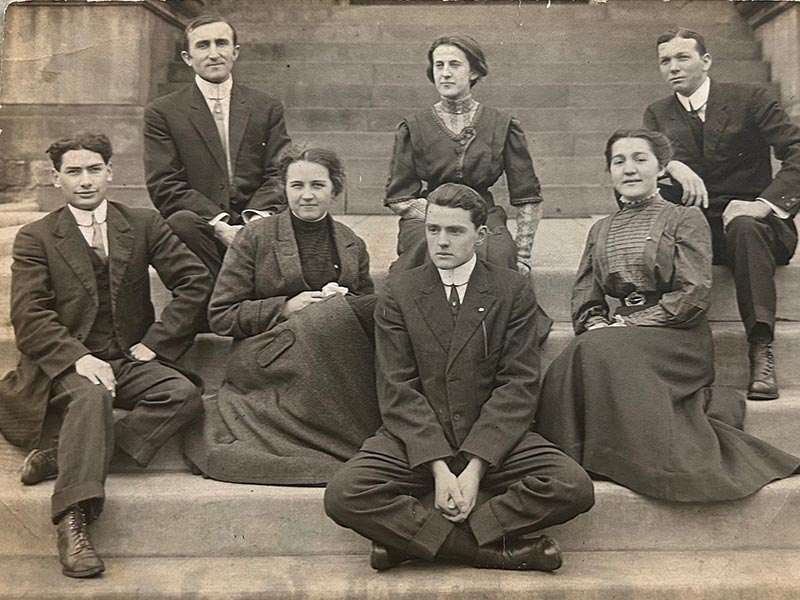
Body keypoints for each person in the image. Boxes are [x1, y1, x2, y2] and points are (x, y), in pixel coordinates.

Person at [325, 183, 594, 573]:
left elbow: (518, 383)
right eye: (433, 230)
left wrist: (475, 467)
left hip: (491, 435)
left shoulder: (511, 289)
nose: (441, 242)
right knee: (344, 494)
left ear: (480, 235)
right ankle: (488, 552)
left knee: (573, 486)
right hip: (417, 438)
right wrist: (437, 466)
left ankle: (414, 543)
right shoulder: (401, 290)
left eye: (455, 231)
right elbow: (396, 386)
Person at [534, 129, 799, 503]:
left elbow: (693, 294)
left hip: (678, 334)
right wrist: (595, 321)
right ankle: (583, 455)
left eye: (640, 159)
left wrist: (631, 323)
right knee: (583, 351)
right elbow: (586, 293)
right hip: (620, 333)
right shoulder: (600, 229)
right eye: (619, 161)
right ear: (609, 171)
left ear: (661, 169)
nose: (629, 169)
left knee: (597, 350)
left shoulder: (685, 218)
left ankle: (629, 459)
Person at [0, 133, 212, 577]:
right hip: (66, 364)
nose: (84, 181)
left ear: (110, 173)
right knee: (92, 395)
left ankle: (64, 454)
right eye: (73, 172)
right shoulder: (36, 236)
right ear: (57, 178)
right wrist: (78, 358)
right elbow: (30, 315)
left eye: (94, 170)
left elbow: (194, 281)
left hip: (130, 356)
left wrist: (157, 342)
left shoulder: (142, 223)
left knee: (181, 395)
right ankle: (72, 521)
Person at [183, 146, 381, 484]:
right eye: (297, 186)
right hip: (269, 352)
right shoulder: (256, 237)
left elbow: (362, 309)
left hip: (333, 353)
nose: (306, 196)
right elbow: (222, 315)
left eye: (317, 186)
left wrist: (341, 301)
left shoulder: (351, 243)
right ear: (284, 188)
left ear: (335, 189)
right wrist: (287, 307)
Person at [643, 28, 800, 400]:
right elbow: (646, 164)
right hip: (700, 226)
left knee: (745, 227)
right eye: (665, 61)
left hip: (757, 224)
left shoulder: (751, 98)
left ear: (706, 61)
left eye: (683, 58)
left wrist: (764, 204)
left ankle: (761, 348)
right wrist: (672, 166)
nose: (673, 68)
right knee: (664, 234)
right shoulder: (658, 113)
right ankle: (672, 359)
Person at [384, 35, 552, 339]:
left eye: (454, 64)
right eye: (439, 65)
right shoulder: (414, 126)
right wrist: (437, 213)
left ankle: (489, 339)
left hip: (483, 214)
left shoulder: (501, 125)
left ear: (473, 71)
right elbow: (398, 197)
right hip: (427, 215)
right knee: (422, 250)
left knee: (499, 253)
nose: (445, 72)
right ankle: (423, 334)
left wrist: (523, 255)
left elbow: (528, 196)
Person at [144, 15, 291, 279]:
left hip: (257, 220)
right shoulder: (163, 111)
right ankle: (226, 303)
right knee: (180, 223)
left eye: (221, 44)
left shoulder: (266, 107)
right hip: (203, 227)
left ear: (234, 52)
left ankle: (228, 304)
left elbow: (280, 172)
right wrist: (221, 226)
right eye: (203, 46)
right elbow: (164, 183)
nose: (214, 54)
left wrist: (253, 223)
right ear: (188, 58)